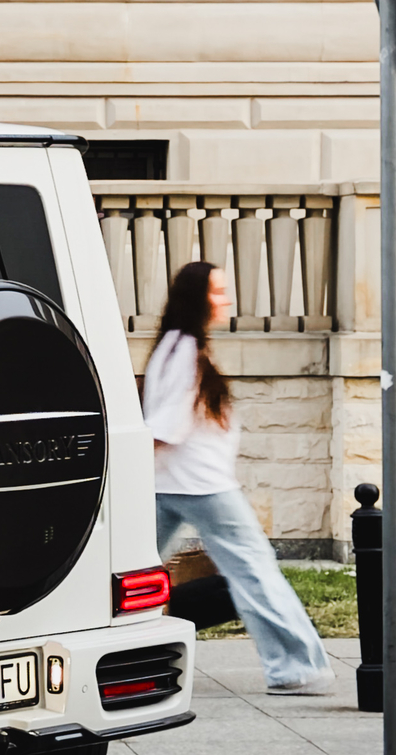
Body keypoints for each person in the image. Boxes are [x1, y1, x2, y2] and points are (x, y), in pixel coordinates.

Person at [143, 261, 335, 695]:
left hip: (173, 483)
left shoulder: (177, 346)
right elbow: (164, 428)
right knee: (255, 571)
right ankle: (295, 668)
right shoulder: (184, 351)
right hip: (201, 486)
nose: (225, 299)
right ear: (197, 298)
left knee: (125, 574)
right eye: (217, 292)